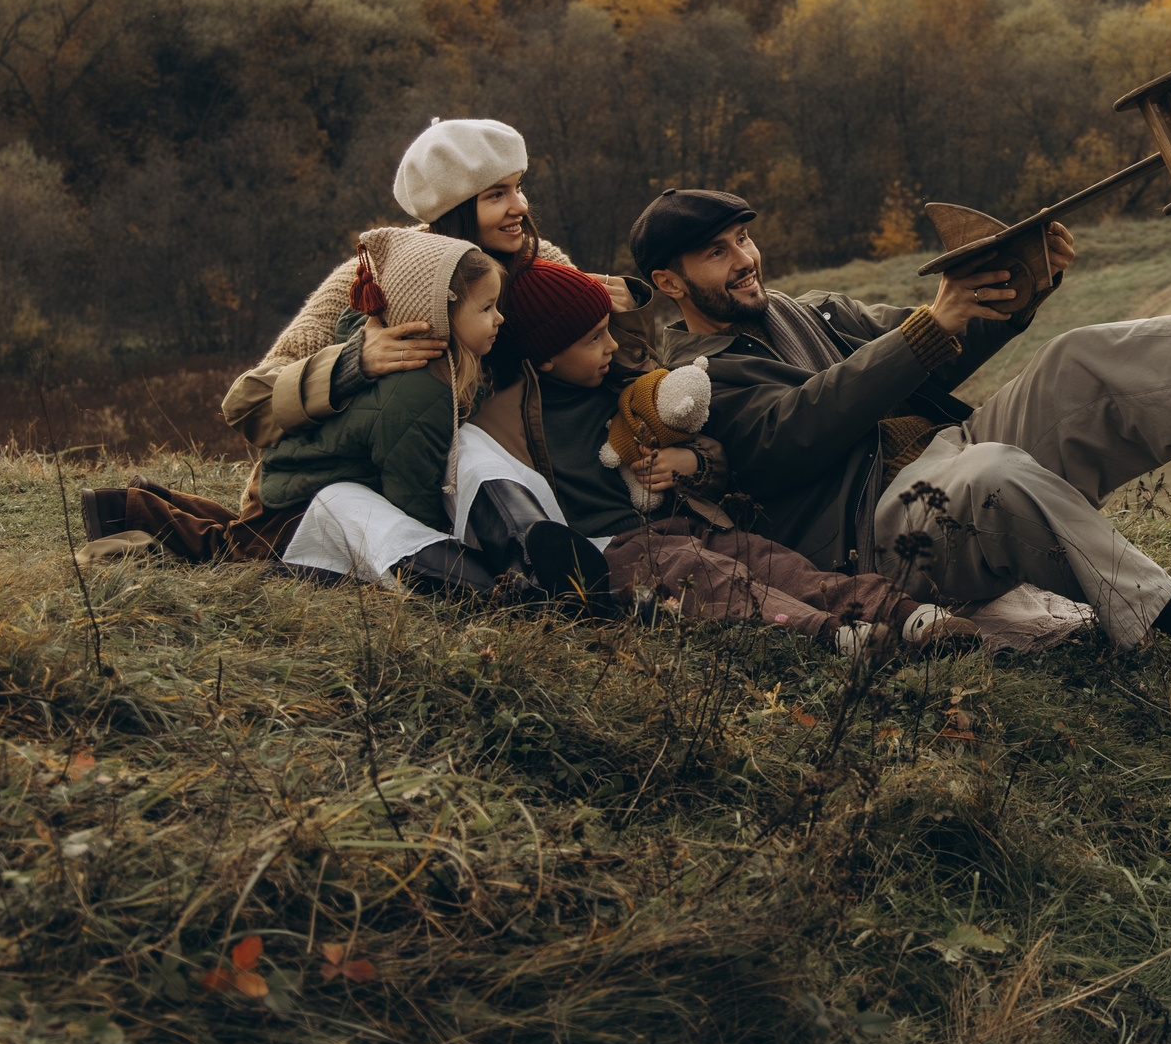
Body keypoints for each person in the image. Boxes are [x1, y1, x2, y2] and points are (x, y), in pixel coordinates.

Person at [628, 154, 1171, 690]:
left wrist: (1016, 291)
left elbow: (929, 343)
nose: (744, 258)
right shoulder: (698, 377)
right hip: (884, 532)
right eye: (715, 254)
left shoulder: (806, 308)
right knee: (990, 473)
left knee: (1077, 362)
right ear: (670, 282)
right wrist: (930, 326)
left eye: (744, 238)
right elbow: (800, 429)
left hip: (941, 457)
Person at [462, 257, 978, 653]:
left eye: (609, 334)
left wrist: (692, 464)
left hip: (684, 523)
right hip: (612, 550)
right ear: (547, 356)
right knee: (716, 582)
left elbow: (702, 443)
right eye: (594, 340)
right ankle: (831, 636)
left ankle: (906, 614)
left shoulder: (621, 386)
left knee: (774, 563)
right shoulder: (506, 416)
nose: (610, 349)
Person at [93, 227, 533, 591]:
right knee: (234, 553)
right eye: (488, 308)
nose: (500, 318)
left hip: (302, 477)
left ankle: (147, 500)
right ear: (438, 313)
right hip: (302, 493)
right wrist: (428, 551)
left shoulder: (431, 367)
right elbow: (410, 492)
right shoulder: (422, 389)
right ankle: (126, 511)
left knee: (244, 536)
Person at [217, 116, 656, 461]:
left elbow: (599, 373)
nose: (520, 206)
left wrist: (624, 316)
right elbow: (249, 403)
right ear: (455, 210)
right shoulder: (368, 280)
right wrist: (353, 364)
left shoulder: (543, 264)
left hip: (526, 468)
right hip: (387, 481)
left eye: (518, 186)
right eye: (497, 194)